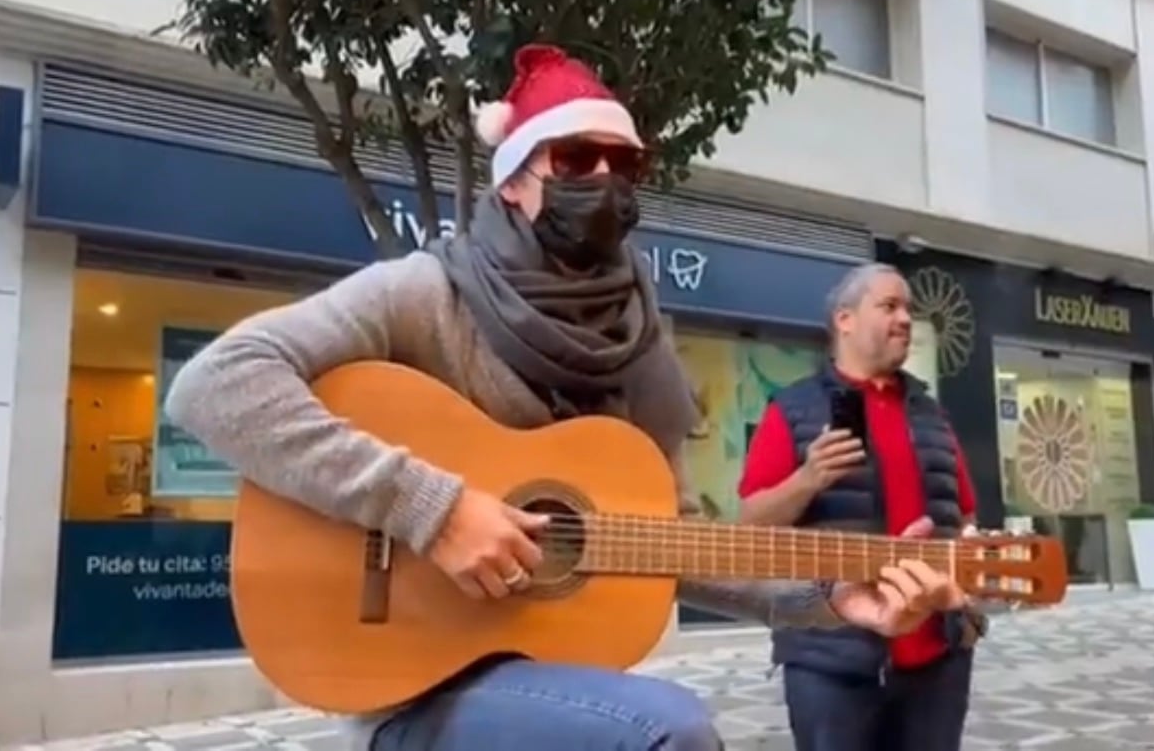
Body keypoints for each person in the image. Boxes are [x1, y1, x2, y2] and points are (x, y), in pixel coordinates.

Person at [164, 45, 968, 751]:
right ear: (513, 180)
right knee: (671, 731)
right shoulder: (422, 294)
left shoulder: (639, 341)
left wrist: (831, 599)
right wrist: (431, 509)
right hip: (409, 690)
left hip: (562, 680)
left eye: (625, 166)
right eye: (576, 159)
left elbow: (670, 545)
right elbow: (215, 384)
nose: (605, 182)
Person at [736, 263, 982, 751]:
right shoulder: (792, 409)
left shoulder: (931, 413)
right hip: (829, 662)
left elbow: (966, 517)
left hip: (938, 661)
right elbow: (749, 524)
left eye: (908, 308)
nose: (906, 318)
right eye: (890, 306)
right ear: (844, 320)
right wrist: (807, 480)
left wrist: (971, 599)